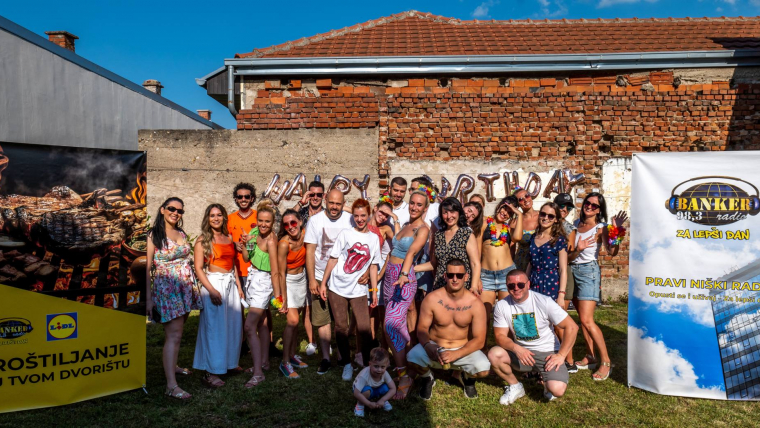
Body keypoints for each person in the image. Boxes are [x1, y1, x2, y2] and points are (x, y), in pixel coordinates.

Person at [488, 270, 579, 404]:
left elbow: (572, 327)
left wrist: (561, 355)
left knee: (557, 390)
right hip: (521, 353)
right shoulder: (502, 305)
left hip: (547, 353)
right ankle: (515, 386)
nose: (516, 288)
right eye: (511, 286)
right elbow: (500, 336)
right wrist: (517, 349)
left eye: (520, 284)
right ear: (507, 287)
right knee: (494, 354)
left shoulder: (544, 301)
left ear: (528, 284)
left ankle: (547, 383)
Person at [407, 259, 490, 400]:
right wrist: (427, 346)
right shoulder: (432, 298)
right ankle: (428, 378)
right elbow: (422, 328)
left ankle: (467, 378)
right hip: (435, 348)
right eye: (451, 275)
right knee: (412, 358)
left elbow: (479, 340)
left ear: (466, 277)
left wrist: (456, 354)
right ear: (445, 276)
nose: (455, 279)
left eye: (459, 275)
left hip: (462, 349)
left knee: (484, 369)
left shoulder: (475, 304)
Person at [321, 199, 383, 381]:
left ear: (369, 215)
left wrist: (374, 291)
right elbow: (333, 258)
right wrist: (323, 283)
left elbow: (373, 266)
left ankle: (367, 364)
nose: (360, 219)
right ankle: (346, 364)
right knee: (341, 327)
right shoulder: (346, 234)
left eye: (363, 215)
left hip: (359, 289)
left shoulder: (373, 238)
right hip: (337, 286)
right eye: (356, 216)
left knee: (364, 328)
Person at [147, 197, 202, 400]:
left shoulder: (181, 233)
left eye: (180, 211)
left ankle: (174, 366)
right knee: (174, 335)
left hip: (185, 287)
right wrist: (149, 298)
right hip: (167, 289)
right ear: (162, 210)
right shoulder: (154, 235)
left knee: (178, 331)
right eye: (172, 208)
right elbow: (147, 267)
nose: (176, 213)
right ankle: (171, 386)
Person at [568, 192, 627, 381]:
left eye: (594, 205)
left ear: (599, 210)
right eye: (588, 203)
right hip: (572, 270)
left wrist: (616, 231)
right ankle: (590, 355)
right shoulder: (576, 224)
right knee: (581, 318)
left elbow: (612, 251)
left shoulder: (601, 228)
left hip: (588, 273)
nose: (589, 207)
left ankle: (606, 362)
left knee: (587, 320)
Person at [384, 190, 430, 399]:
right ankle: (409, 367)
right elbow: (392, 252)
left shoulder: (423, 229)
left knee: (390, 324)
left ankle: (403, 375)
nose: (414, 207)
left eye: (419, 204)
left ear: (425, 208)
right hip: (390, 278)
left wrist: (403, 274)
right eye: (412, 203)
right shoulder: (404, 225)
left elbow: (411, 252)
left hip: (403, 279)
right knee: (398, 327)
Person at [193, 204, 244, 389]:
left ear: (224, 217)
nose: (216, 218)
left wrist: (238, 286)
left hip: (230, 284)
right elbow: (199, 268)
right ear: (208, 218)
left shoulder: (228, 238)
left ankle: (229, 363)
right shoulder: (202, 240)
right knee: (214, 329)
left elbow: (233, 264)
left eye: (219, 215)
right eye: (212, 215)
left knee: (232, 326)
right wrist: (212, 290)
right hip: (214, 283)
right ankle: (211, 371)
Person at [305, 188, 355, 374]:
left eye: (338, 204)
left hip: (342, 277)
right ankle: (326, 358)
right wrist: (312, 279)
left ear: (344, 204)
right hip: (319, 275)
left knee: (341, 319)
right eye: (331, 203)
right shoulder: (315, 221)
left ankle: (342, 355)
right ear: (325, 200)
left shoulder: (350, 220)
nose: (334, 207)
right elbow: (310, 251)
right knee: (322, 318)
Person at [239, 200, 283, 386]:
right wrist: (245, 243)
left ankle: (258, 373)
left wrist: (278, 298)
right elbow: (246, 258)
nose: (263, 225)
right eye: (261, 221)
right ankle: (264, 363)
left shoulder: (271, 241)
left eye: (267, 221)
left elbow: (275, 271)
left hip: (264, 282)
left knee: (249, 327)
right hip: (253, 277)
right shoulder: (254, 232)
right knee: (262, 323)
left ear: (273, 223)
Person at [480, 197, 523, 344]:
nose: (505, 213)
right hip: (486, 275)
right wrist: (477, 276)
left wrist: (519, 214)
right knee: (483, 315)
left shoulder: (508, 228)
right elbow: (477, 249)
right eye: (504, 208)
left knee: (507, 315)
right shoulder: (485, 222)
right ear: (499, 206)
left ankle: (507, 350)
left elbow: (517, 237)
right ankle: (482, 348)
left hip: (506, 274)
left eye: (510, 212)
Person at [276, 209, 310, 379]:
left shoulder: (306, 234)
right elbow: (281, 273)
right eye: (286, 224)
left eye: (293, 222)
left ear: (300, 222)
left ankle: (291, 355)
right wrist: (283, 298)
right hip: (288, 281)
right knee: (293, 320)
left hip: (301, 279)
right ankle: (284, 362)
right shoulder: (284, 244)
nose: (290, 226)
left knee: (297, 322)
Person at [292, 180, 324, 356]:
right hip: (302, 263)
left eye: (319, 194)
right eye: (312, 194)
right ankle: (312, 341)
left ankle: (325, 339)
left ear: (323, 196)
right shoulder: (302, 213)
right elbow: (286, 220)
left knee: (324, 305)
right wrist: (301, 202)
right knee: (308, 305)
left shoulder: (328, 214)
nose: (315, 197)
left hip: (322, 264)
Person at [427, 197, 481, 294]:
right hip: (441, 286)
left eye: (452, 212)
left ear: (459, 212)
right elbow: (433, 264)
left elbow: (475, 263)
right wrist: (411, 268)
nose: (449, 216)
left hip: (461, 287)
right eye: (445, 212)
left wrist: (474, 286)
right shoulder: (438, 235)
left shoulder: (466, 234)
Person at [526, 202, 568, 302]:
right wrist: (525, 282)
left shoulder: (559, 240)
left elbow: (563, 269)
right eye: (543, 214)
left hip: (551, 283)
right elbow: (530, 263)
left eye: (550, 216)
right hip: (533, 282)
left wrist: (561, 295)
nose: (546, 218)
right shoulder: (533, 237)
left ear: (556, 219)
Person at [353, 347, 396, 417]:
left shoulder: (385, 373)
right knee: (367, 391)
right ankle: (360, 404)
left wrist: (383, 399)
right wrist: (369, 404)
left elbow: (393, 388)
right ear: (370, 364)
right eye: (376, 366)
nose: (379, 370)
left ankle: (382, 400)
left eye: (382, 367)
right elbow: (356, 393)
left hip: (375, 389)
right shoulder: (364, 376)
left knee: (386, 388)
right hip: (362, 390)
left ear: (387, 365)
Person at [513, 188, 539, 272]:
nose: (525, 200)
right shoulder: (515, 222)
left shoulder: (544, 216)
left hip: (540, 262)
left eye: (527, 196)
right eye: (521, 199)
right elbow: (511, 246)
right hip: (522, 264)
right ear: (517, 204)